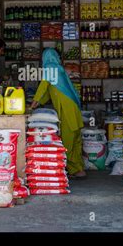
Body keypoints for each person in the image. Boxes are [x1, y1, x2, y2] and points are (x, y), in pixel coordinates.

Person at [31, 48, 86, 178]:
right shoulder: (58, 69)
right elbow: (50, 92)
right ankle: (79, 168)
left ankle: (74, 170)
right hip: (72, 107)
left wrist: (33, 103)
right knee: (75, 139)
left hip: (67, 109)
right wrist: (38, 103)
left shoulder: (51, 67)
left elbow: (43, 87)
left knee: (68, 141)